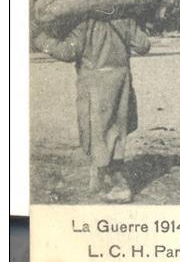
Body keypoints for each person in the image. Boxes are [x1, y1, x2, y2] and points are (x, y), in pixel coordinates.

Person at [33, 12, 151, 203]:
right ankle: (108, 176)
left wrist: (40, 39)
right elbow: (144, 46)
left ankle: (114, 183)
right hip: (121, 83)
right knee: (116, 131)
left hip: (95, 85)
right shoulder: (126, 19)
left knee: (97, 133)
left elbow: (67, 52)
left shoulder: (85, 24)